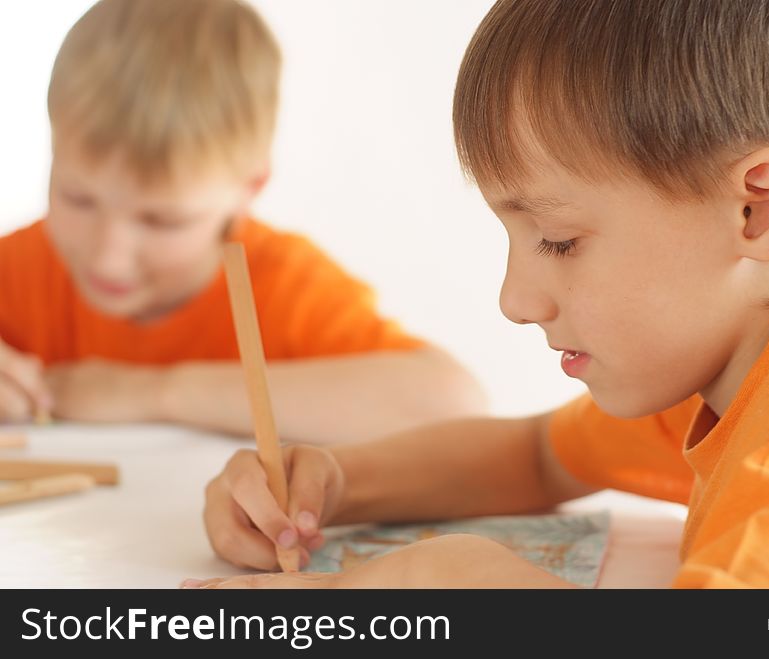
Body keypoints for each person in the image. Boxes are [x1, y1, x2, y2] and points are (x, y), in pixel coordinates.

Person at [193, 0, 769, 587]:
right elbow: (540, 456)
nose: (515, 301)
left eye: (559, 240)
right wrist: (333, 482)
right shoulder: (740, 351)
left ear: (759, 211)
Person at [0, 0, 486, 444]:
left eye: (164, 221)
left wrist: (153, 392)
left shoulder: (283, 288)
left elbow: (454, 403)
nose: (108, 254)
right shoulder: (18, 269)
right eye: (77, 198)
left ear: (248, 190)